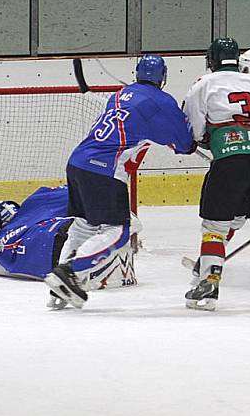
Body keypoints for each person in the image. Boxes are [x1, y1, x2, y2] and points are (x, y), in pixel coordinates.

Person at [44, 54, 194, 308]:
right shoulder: (161, 101)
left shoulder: (119, 95)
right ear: (163, 77)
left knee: (84, 226)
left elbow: (136, 127)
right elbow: (185, 143)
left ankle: (60, 288)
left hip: (78, 162)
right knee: (119, 231)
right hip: (105, 170)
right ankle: (70, 272)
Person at [182, 37, 250, 311]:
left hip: (230, 160)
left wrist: (201, 140)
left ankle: (207, 287)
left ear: (211, 60)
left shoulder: (203, 84)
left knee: (215, 228)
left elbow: (194, 125)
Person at [0, 186, 139, 309]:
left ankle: (89, 271)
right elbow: (82, 192)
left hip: (61, 259)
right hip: (84, 234)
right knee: (114, 227)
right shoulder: (41, 200)